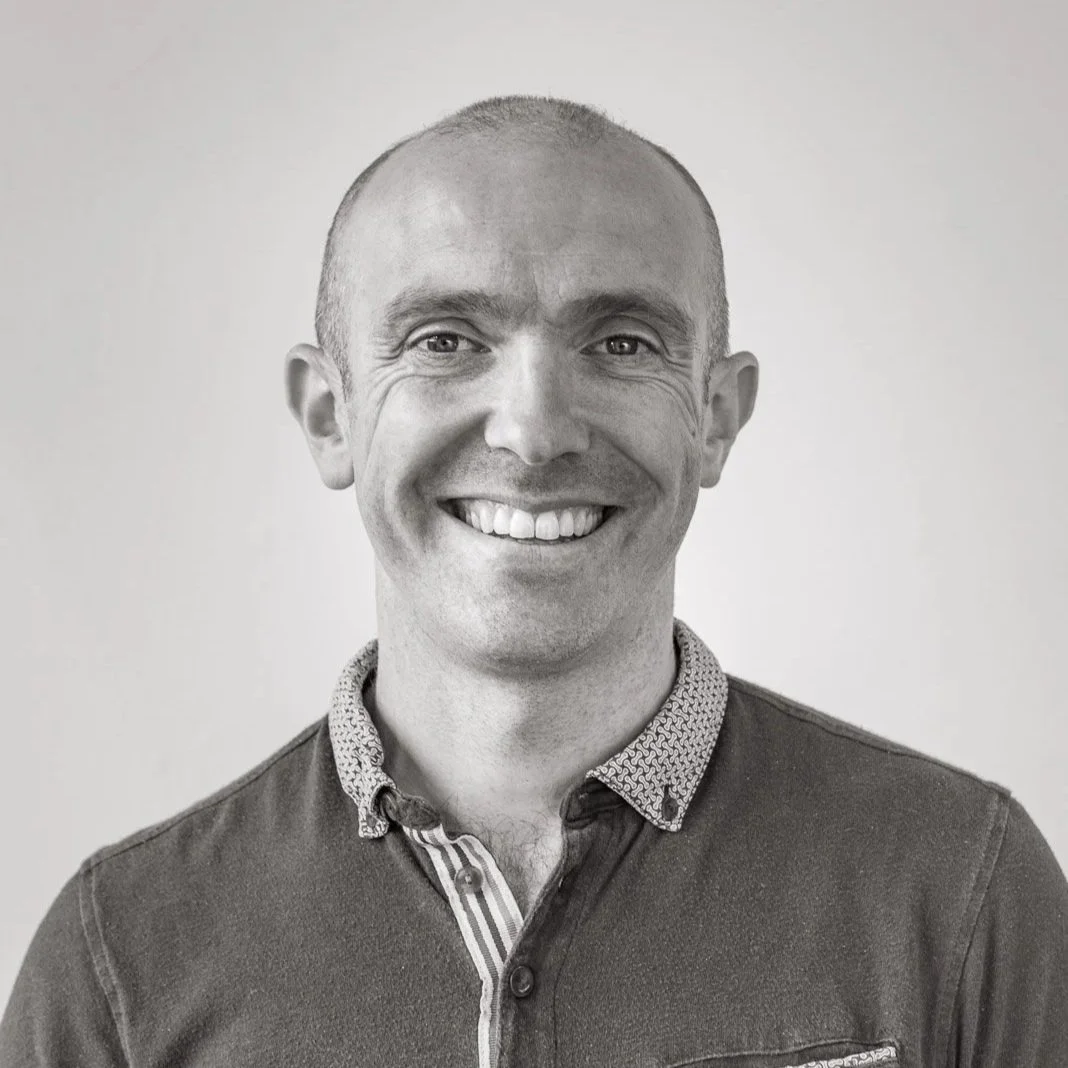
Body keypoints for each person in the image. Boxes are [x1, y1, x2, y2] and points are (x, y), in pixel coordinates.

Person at [2, 95, 1065, 1068]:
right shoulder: (121, 962)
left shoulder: (964, 891)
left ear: (718, 416)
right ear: (330, 415)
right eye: (447, 339)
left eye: (621, 340)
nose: (537, 430)